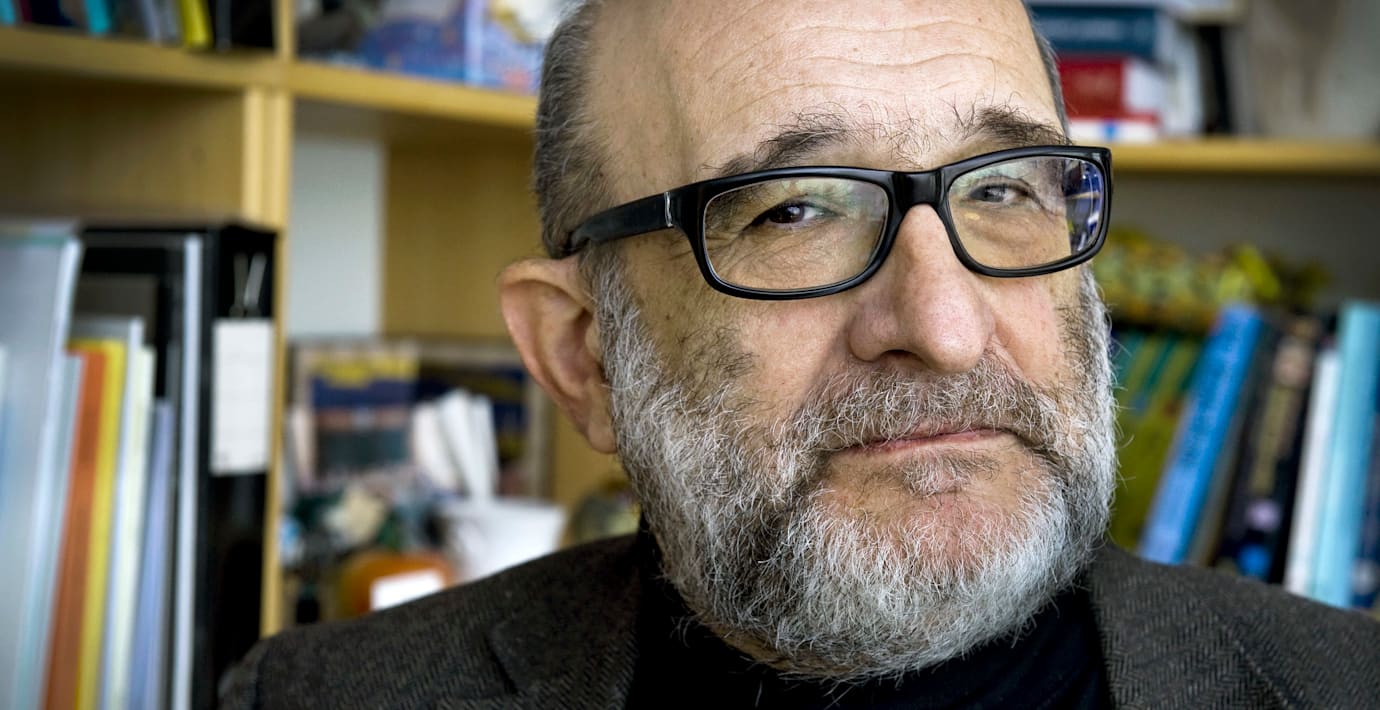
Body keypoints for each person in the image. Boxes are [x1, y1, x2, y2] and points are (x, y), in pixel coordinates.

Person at [223, 1, 1380, 707]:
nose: (945, 328)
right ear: (583, 355)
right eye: (792, 211)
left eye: (1004, 189)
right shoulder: (320, 697)